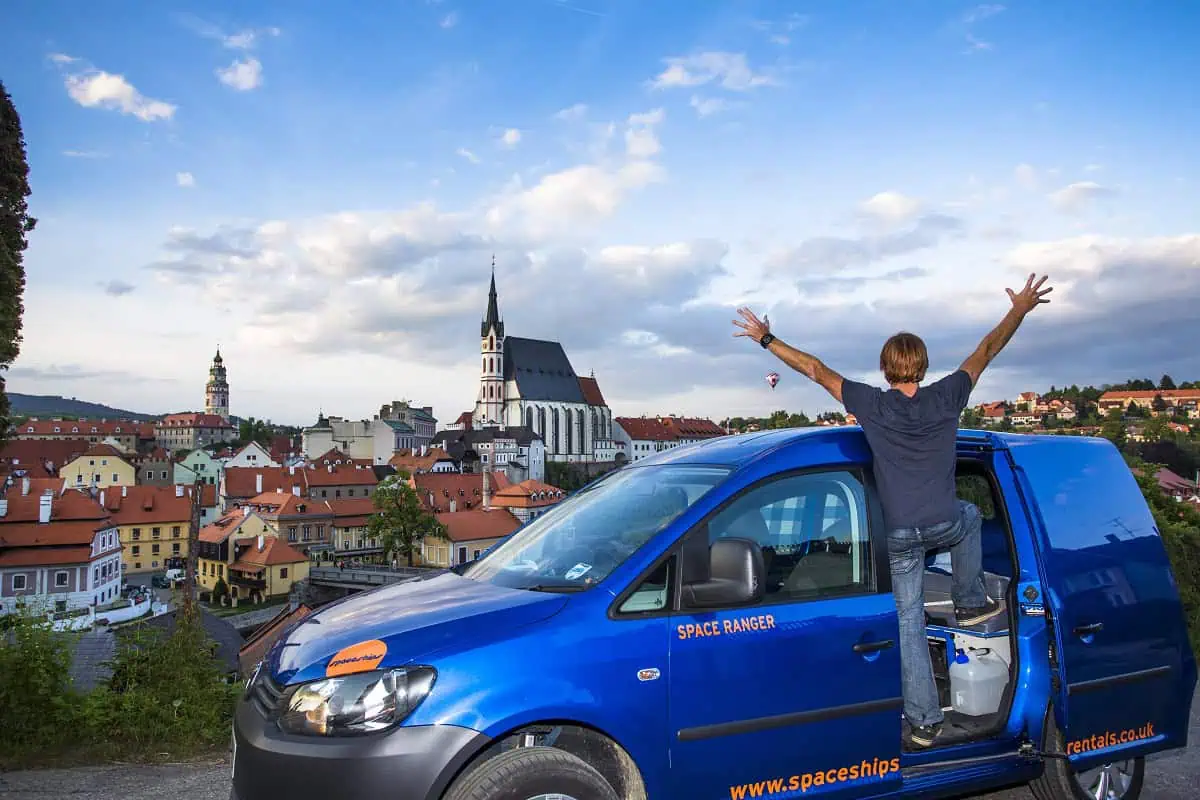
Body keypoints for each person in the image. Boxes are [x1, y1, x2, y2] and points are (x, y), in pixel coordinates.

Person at [733, 273, 1053, 749]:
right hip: (944, 523)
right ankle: (969, 601)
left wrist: (766, 338)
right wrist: (1019, 309)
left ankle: (924, 723)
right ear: (923, 366)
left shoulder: (871, 404)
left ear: (885, 369)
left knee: (908, 623)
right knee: (968, 516)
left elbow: (816, 370)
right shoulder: (948, 395)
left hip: (899, 535)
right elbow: (987, 349)